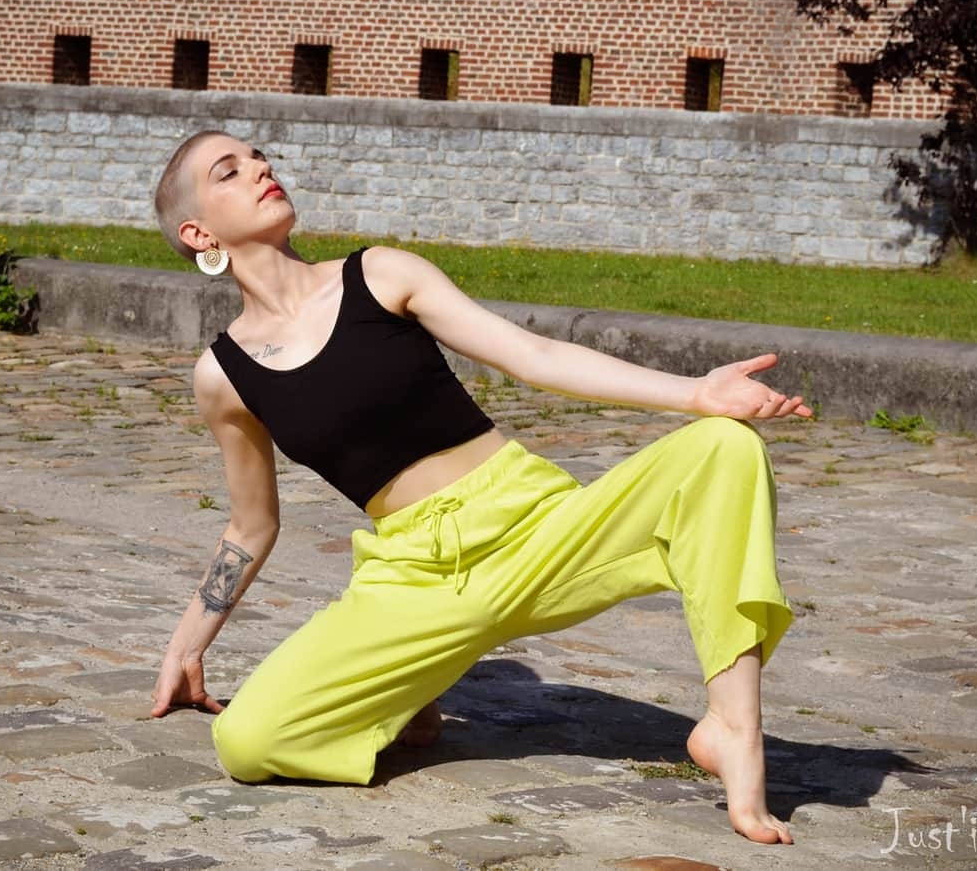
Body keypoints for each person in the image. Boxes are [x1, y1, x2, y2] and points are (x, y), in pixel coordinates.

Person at [149, 130, 812, 846]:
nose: (259, 168)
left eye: (257, 156)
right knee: (247, 742)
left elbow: (533, 354)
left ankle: (731, 727)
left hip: (534, 528)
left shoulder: (379, 274)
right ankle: (406, 689)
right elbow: (251, 524)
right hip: (414, 575)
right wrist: (187, 646)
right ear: (198, 233)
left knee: (724, 448)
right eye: (229, 171)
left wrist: (696, 393)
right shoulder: (224, 376)